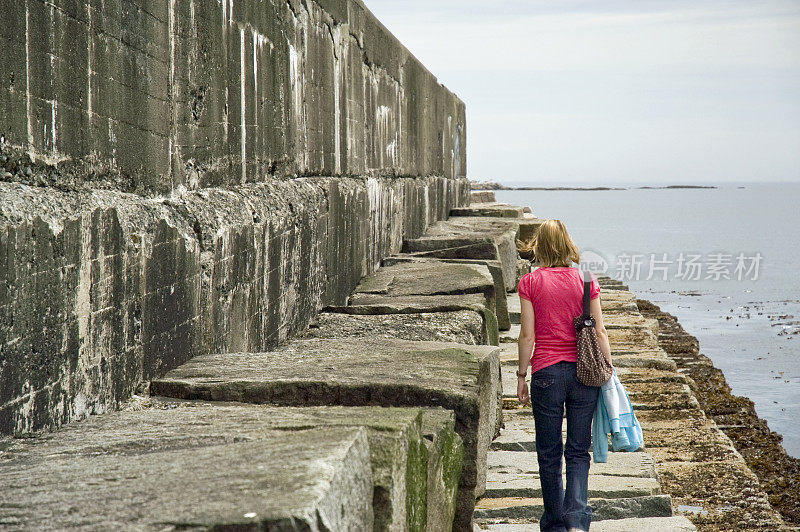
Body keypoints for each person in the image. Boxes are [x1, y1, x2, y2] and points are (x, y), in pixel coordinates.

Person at [516, 219, 613, 532]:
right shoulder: (585, 280)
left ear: (539, 247)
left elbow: (527, 336)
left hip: (546, 374)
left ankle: (556, 524)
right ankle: (577, 521)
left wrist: (521, 375)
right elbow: (598, 330)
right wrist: (608, 369)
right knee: (577, 450)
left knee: (548, 453)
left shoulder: (531, 282)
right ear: (568, 243)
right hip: (585, 373)